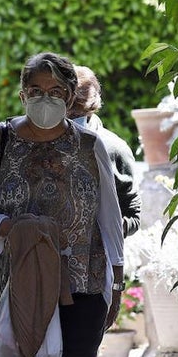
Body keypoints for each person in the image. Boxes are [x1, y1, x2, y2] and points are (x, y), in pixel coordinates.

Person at [0, 52, 125, 357]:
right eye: (35, 90)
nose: (44, 98)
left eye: (55, 90)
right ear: (22, 95)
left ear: (70, 96)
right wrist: (14, 229)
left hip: (82, 291)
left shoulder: (91, 146)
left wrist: (116, 287)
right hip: (14, 288)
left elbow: (110, 220)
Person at [67, 65, 142, 238]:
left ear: (91, 109)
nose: (67, 124)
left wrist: (101, 230)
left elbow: (133, 215)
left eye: (75, 116)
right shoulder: (36, 143)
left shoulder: (113, 148)